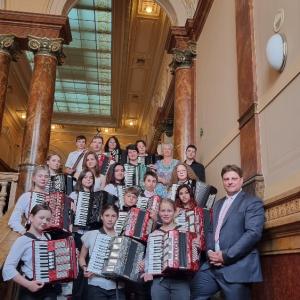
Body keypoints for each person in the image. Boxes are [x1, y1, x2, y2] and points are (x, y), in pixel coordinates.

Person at [191, 164, 265, 300]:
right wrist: (209, 252)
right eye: (226, 179)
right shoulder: (218, 204)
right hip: (212, 266)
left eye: (234, 178)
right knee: (195, 293)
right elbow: (210, 230)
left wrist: (225, 256)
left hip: (237, 266)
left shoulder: (252, 202)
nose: (230, 182)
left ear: (241, 180)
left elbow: (253, 233)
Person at [3, 203, 58, 300]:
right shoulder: (22, 240)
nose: (45, 221)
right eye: (41, 217)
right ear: (31, 217)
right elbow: (8, 268)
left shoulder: (48, 237)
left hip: (49, 289)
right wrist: (28, 284)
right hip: (30, 288)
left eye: (48, 219)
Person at [142, 198, 191, 300]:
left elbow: (191, 256)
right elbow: (148, 259)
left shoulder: (184, 231)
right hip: (159, 281)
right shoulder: (153, 235)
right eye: (163, 210)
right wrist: (146, 269)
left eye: (169, 211)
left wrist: (195, 247)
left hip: (180, 280)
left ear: (174, 212)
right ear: (159, 212)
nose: (166, 214)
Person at [79, 203, 125, 300]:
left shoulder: (122, 238)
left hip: (117, 286)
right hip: (96, 284)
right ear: (101, 217)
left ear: (117, 218)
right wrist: (84, 267)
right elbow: (82, 257)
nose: (110, 219)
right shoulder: (91, 234)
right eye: (107, 215)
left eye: (113, 216)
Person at [8, 165, 49, 234]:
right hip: (33, 233)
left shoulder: (53, 197)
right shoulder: (26, 196)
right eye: (40, 176)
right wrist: (24, 232)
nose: (43, 179)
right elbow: (13, 220)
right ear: (33, 178)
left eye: (46, 176)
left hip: (50, 235)